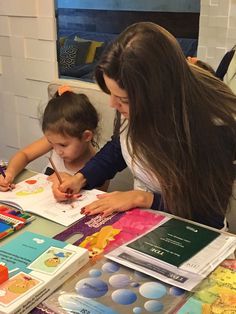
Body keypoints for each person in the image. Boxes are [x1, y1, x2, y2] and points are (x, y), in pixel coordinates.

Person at [51, 22, 236, 230]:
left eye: (124, 99)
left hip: (195, 233)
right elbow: (120, 147)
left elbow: (207, 213)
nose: (113, 104)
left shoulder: (214, 126)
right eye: (111, 94)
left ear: (158, 95)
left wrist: (142, 198)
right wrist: (81, 178)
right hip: (144, 223)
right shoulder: (130, 101)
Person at [0, 86, 108, 191]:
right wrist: (10, 173)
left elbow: (94, 199)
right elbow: (24, 155)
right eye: (51, 143)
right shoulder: (57, 142)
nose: (57, 151)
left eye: (63, 145)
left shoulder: (99, 166)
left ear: (86, 136)